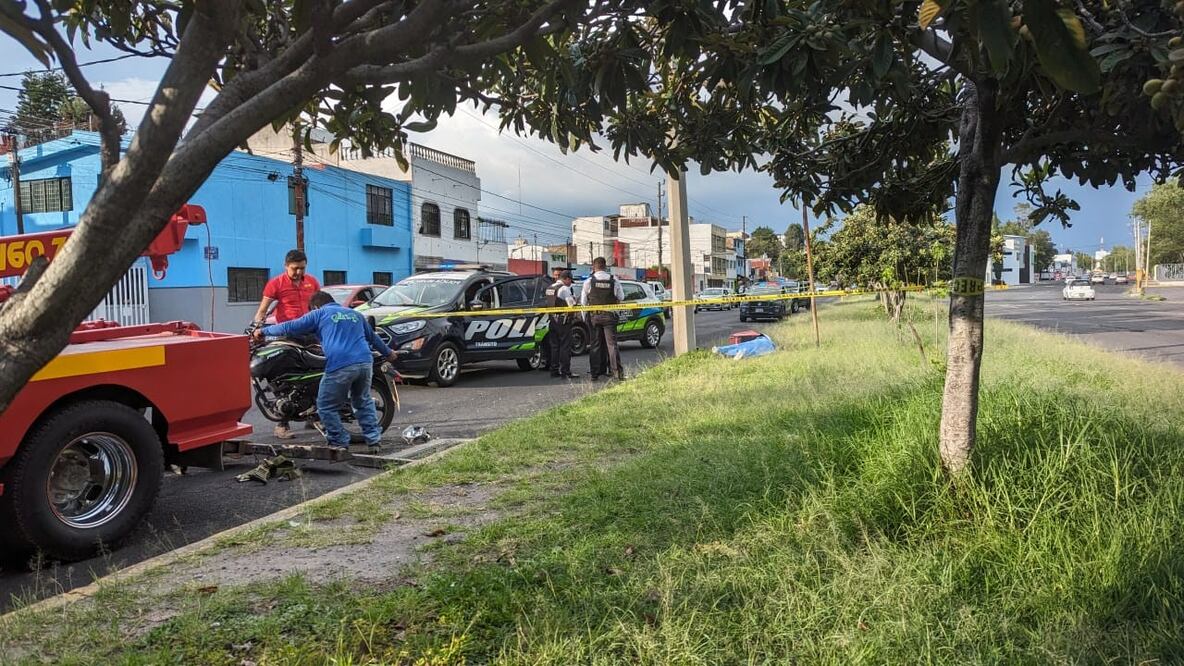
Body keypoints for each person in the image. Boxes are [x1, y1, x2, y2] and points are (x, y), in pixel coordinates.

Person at [255, 291, 398, 452]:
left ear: (315, 306)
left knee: (325, 406)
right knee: (363, 401)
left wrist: (264, 331)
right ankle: (374, 441)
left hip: (341, 364)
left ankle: (339, 442)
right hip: (365, 363)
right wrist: (389, 353)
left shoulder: (319, 313)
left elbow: (291, 326)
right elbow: (373, 338)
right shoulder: (354, 314)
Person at [253, 249, 321, 439]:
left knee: (315, 375)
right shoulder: (276, 283)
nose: (299, 272)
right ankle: (282, 424)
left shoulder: (312, 282)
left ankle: (312, 415)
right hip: (288, 337)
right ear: (286, 266)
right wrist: (256, 327)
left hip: (311, 335)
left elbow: (319, 306)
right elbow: (262, 311)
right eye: (294, 269)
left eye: (302, 268)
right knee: (284, 380)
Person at [581, 257, 625, 381]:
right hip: (610, 316)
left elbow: (583, 302)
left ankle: (595, 373)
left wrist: (585, 317)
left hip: (595, 316)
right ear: (605, 266)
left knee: (595, 344)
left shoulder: (589, 281)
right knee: (612, 345)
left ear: (593, 267)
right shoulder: (613, 280)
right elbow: (621, 297)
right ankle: (617, 373)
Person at [545, 270, 577, 379]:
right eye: (570, 281)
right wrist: (574, 300)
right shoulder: (564, 288)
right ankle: (565, 372)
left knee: (554, 347)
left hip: (552, 320)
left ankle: (554, 370)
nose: (570, 283)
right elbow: (571, 305)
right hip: (563, 321)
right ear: (566, 278)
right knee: (565, 346)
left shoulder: (550, 287)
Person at [538, 265, 566, 372]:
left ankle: (558, 366)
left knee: (558, 344)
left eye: (559, 275)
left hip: (559, 318)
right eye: (555, 275)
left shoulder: (564, 286)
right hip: (547, 317)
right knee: (548, 343)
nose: (557, 277)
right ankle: (550, 364)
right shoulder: (549, 284)